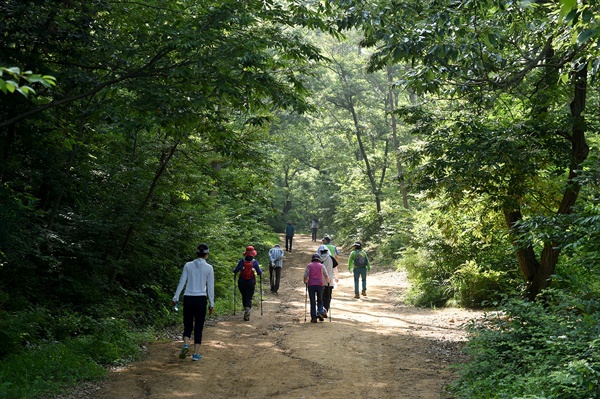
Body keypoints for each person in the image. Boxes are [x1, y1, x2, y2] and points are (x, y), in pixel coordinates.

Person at [172, 243, 215, 361]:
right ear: (207, 254)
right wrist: (212, 303)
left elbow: (182, 282)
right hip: (201, 299)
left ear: (196, 253)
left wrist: (175, 297)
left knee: (188, 323)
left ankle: (186, 344)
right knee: (199, 327)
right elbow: (210, 287)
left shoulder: (188, 265)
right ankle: (196, 354)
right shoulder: (209, 268)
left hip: (188, 297)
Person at [233, 245, 263, 321]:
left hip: (241, 282)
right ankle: (247, 310)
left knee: (244, 295)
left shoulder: (242, 262)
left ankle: (245, 309)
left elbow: (236, 270)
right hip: (251, 282)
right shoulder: (255, 262)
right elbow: (259, 272)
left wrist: (235, 271)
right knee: (249, 297)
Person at [303, 253, 331, 323]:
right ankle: (320, 312)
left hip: (311, 285)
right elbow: (326, 275)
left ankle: (313, 318)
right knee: (320, 300)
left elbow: (305, 275)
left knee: (312, 302)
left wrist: (305, 281)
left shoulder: (309, 266)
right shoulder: (322, 266)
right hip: (320, 285)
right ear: (319, 260)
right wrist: (328, 281)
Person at [318, 245, 338, 317]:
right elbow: (335, 268)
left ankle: (320, 310)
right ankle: (325, 310)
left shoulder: (317, 259)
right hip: (329, 281)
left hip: (319, 281)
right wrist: (336, 277)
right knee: (328, 297)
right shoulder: (331, 258)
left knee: (320, 297)